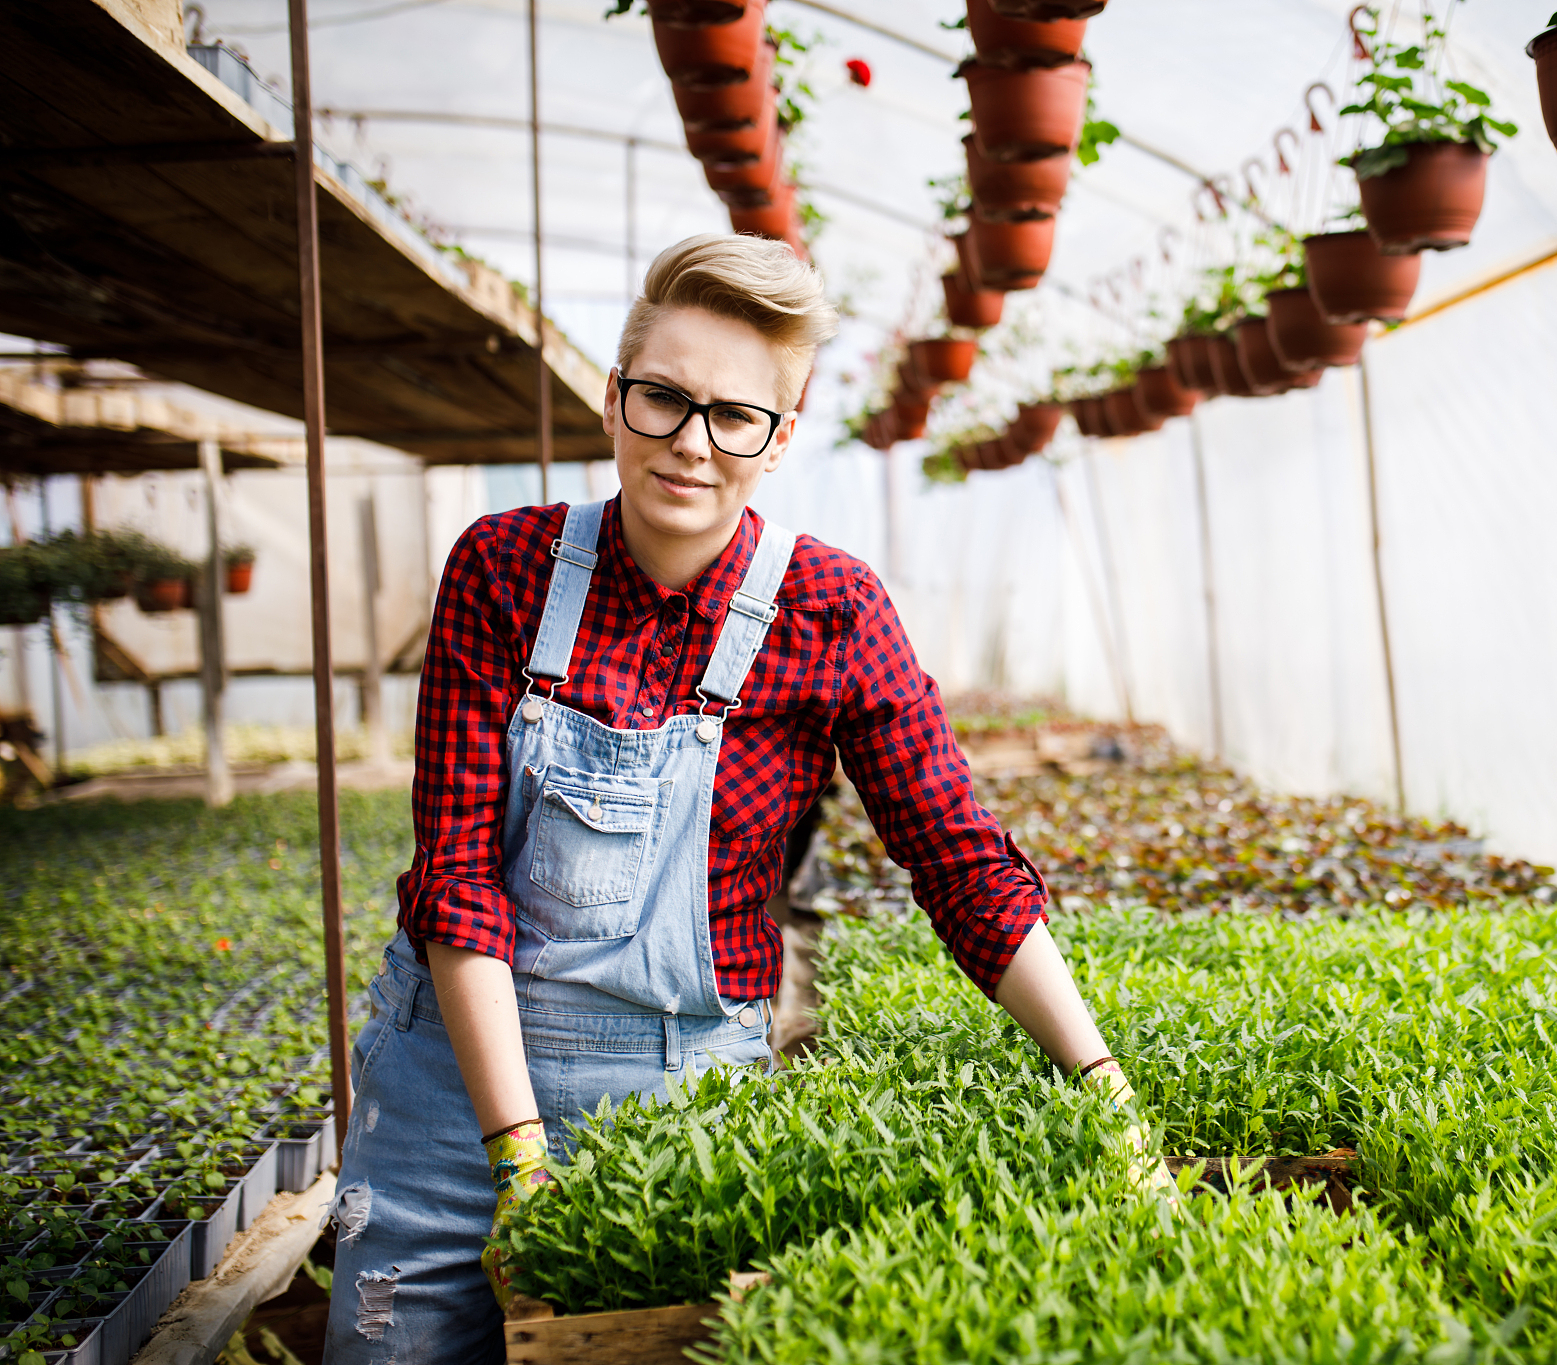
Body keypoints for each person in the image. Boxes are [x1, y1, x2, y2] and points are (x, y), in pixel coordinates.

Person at [323, 234, 1144, 1363]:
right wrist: (513, 1146)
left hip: (677, 1109)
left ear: (778, 438)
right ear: (614, 401)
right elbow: (458, 882)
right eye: (662, 399)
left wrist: (1099, 1084)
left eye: (733, 416)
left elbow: (956, 860)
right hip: (449, 1102)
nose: (691, 444)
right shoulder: (501, 570)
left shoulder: (831, 611)